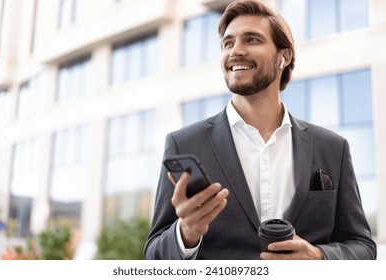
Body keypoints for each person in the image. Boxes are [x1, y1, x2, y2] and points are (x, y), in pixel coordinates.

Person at [144, 0, 377, 260]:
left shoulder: (332, 147)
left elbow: (363, 247)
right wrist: (186, 232)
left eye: (252, 40)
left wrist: (318, 257)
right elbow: (154, 255)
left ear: (283, 56)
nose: (235, 51)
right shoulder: (184, 143)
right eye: (228, 43)